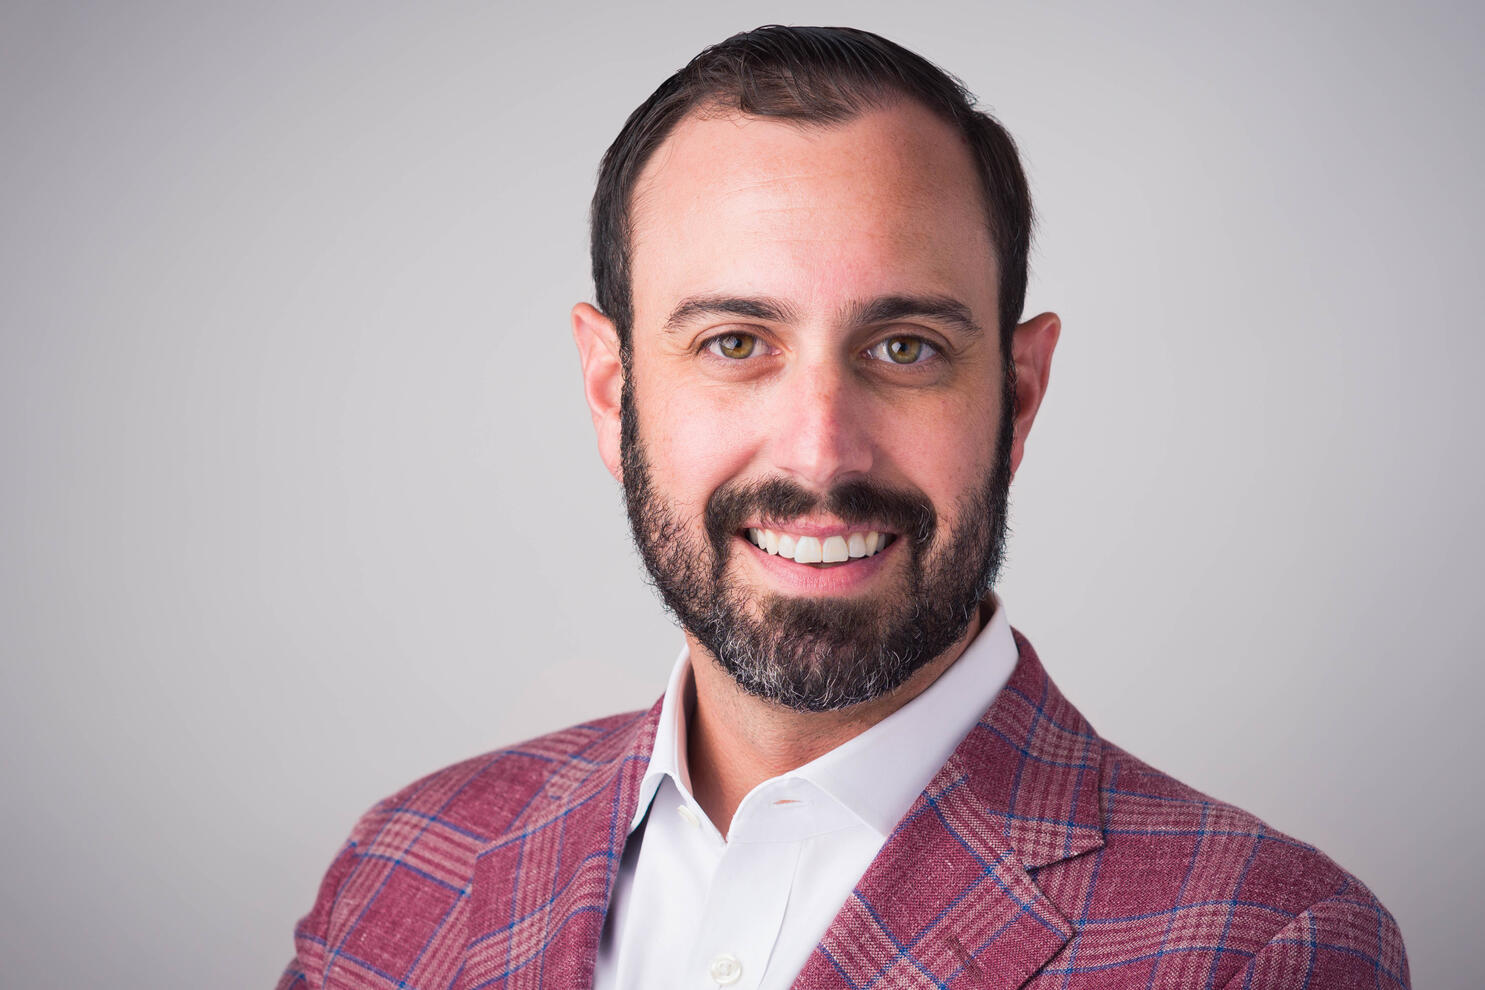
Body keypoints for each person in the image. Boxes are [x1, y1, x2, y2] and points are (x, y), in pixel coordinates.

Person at [278, 25, 1408, 990]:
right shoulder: (406, 867)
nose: (822, 450)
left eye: (905, 347)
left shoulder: (1259, 947)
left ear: (1017, 397)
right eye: (734, 343)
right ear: (612, 390)